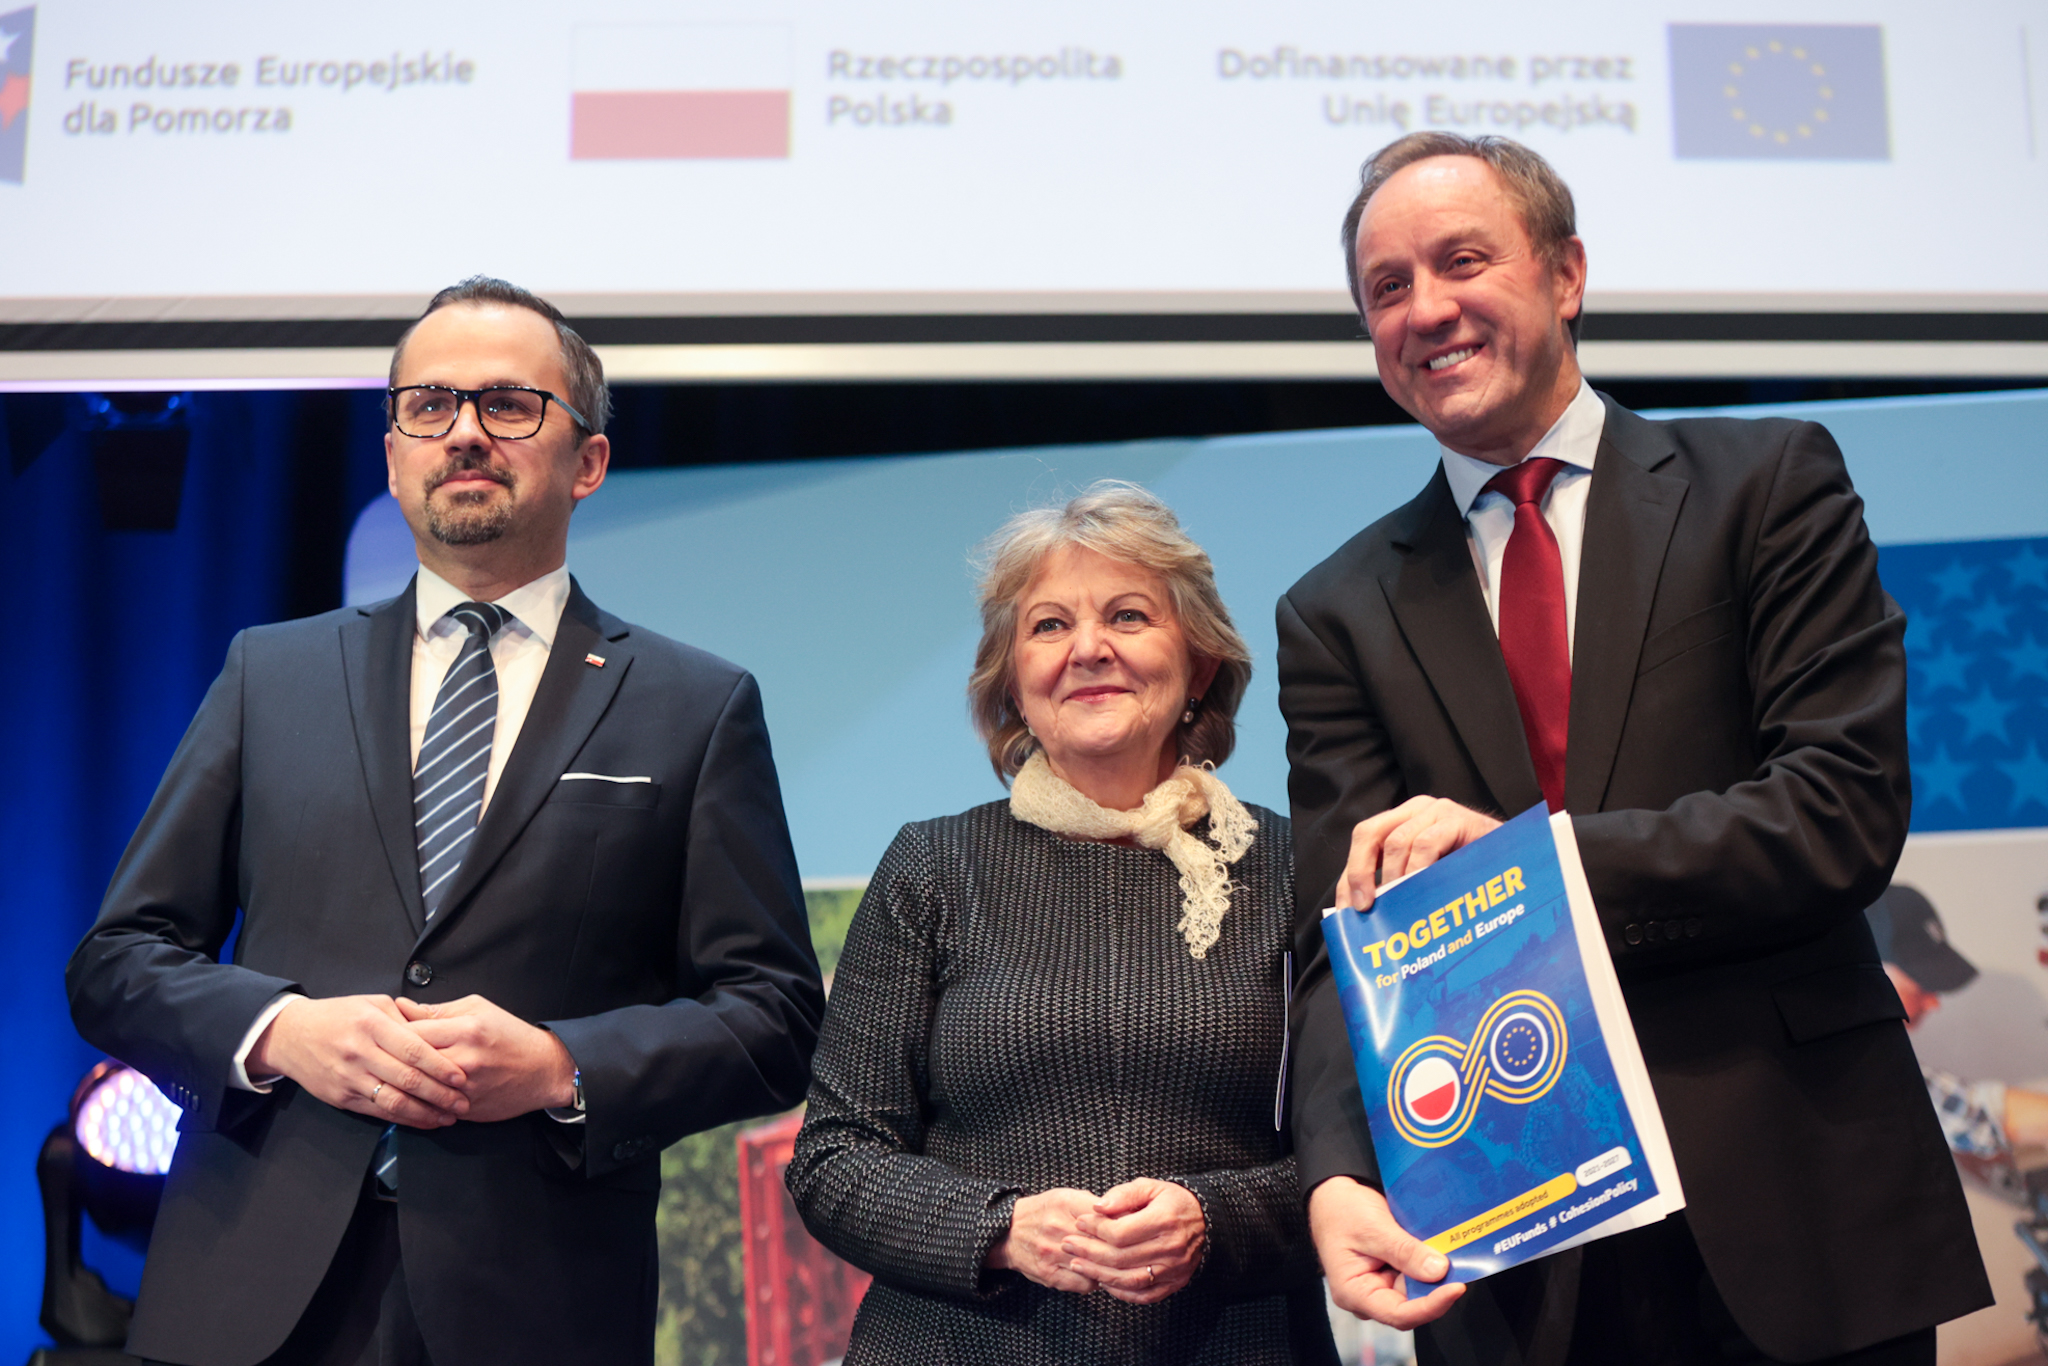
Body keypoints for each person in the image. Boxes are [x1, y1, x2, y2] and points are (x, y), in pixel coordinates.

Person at [1278, 132, 1991, 1366]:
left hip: (1794, 1195)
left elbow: (1837, 812)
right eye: (1384, 289)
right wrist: (1335, 1173)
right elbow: (1339, 945)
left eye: (1460, 261)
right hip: (1515, 1247)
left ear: (1564, 274)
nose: (1424, 309)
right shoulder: (1334, 609)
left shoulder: (1765, 484)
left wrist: (1524, 864)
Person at [67, 278, 825, 1366]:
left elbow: (773, 1016)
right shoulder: (268, 675)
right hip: (247, 1291)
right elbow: (116, 962)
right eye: (429, 405)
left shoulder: (692, 707)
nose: (465, 430)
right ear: (392, 454)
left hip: (535, 1300)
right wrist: (282, 1031)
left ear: (589, 461)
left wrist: (561, 1064)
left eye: (509, 404)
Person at [786, 482, 1337, 1364]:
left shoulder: (1298, 867)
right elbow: (835, 1157)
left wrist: (1213, 1220)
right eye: (1048, 626)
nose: (1089, 650)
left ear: (1198, 664)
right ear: (1011, 678)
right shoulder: (932, 866)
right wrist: (1001, 1229)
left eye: (1128, 616)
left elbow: (1372, 1153)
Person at [1868, 884, 2048, 1201]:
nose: (1934, 1004)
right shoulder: (1854, 1071)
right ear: (1864, 970)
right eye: (1921, 986)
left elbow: (1960, 1114)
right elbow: (1976, 1112)